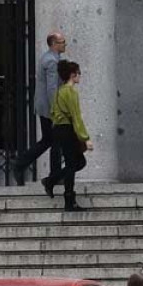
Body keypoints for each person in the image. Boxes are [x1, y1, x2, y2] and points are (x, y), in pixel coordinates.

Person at [13, 32, 65, 188]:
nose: (64, 44)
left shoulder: (47, 58)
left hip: (43, 107)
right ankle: (54, 176)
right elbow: (52, 88)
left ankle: (20, 163)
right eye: (62, 42)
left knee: (48, 140)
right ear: (54, 44)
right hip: (50, 108)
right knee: (55, 141)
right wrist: (56, 110)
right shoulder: (52, 61)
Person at [47, 60, 93, 211]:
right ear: (72, 75)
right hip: (67, 129)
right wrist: (85, 139)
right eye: (79, 73)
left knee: (76, 163)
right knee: (75, 164)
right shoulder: (71, 92)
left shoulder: (58, 91)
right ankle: (68, 199)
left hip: (58, 129)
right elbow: (76, 116)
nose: (80, 76)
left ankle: (52, 181)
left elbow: (53, 112)